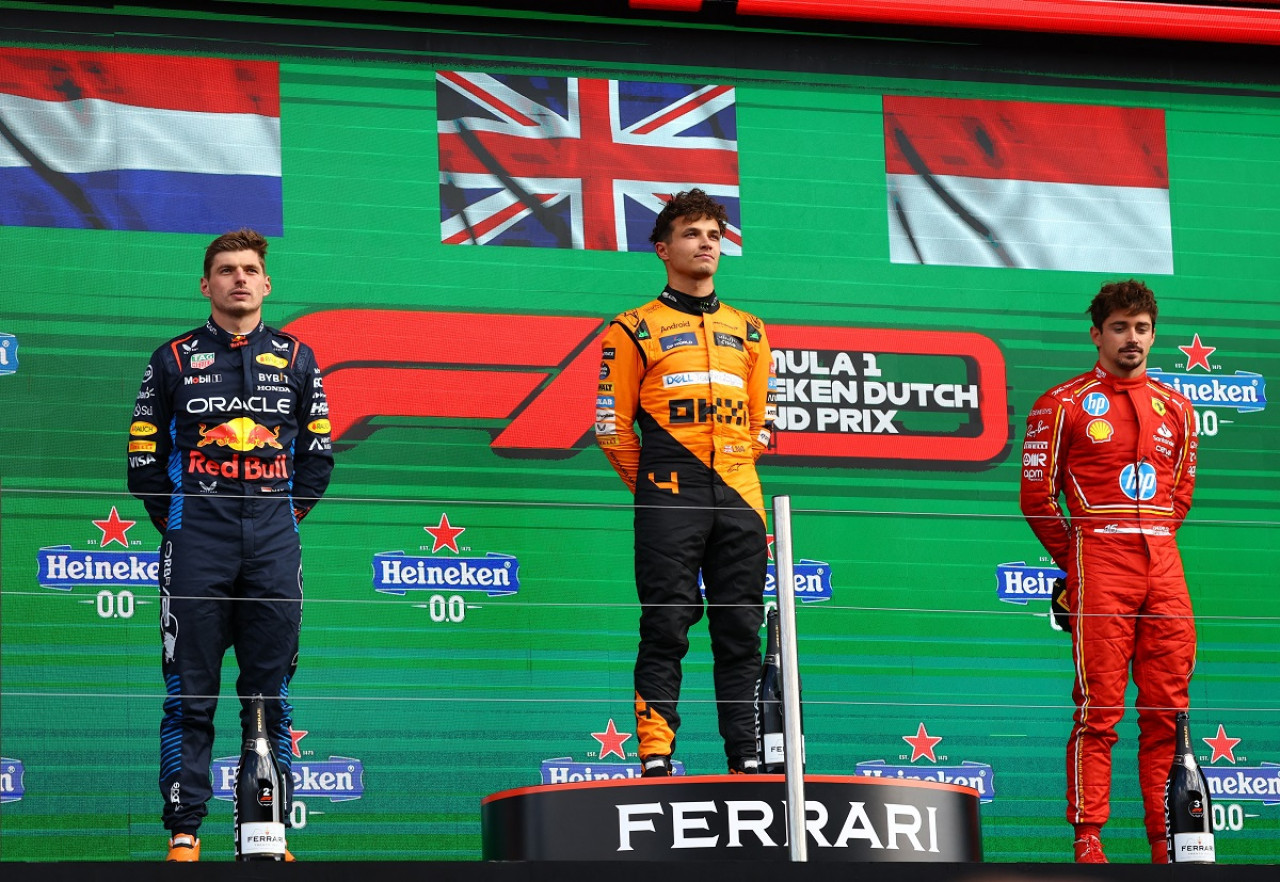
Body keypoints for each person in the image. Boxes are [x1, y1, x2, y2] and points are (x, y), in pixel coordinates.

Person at [128, 229, 334, 861]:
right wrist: (191, 523)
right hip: (198, 543)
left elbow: (319, 456)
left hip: (273, 541)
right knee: (190, 690)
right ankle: (185, 831)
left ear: (266, 284)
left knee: (270, 691)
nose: (238, 279)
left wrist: (279, 519)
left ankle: (263, 834)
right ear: (206, 284)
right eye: (225, 270)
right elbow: (142, 461)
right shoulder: (172, 359)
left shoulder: (299, 358)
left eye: (249, 270)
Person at [594, 189, 777, 776]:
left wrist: (733, 470)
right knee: (667, 625)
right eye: (694, 234)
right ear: (663, 248)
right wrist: (653, 486)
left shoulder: (750, 330)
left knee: (741, 631)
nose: (707, 244)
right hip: (668, 495)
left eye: (715, 235)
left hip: (742, 498)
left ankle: (746, 755)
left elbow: (758, 422)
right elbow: (611, 427)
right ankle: (655, 755)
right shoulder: (632, 327)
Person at [1019, 280, 1198, 864]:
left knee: (1169, 710)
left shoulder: (1178, 407)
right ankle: (1088, 841)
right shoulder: (1062, 403)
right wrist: (1079, 561)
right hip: (1099, 559)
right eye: (1119, 327)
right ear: (1096, 335)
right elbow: (1037, 499)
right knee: (1100, 709)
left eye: (1142, 327)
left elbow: (1181, 495)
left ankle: (1167, 842)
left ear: (1153, 333)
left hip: (1163, 563)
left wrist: (1150, 539)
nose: (1132, 338)